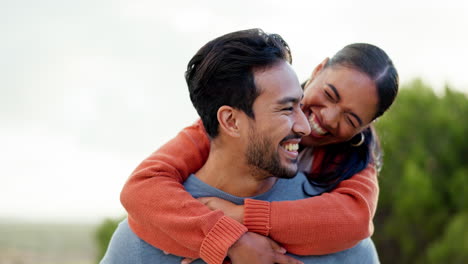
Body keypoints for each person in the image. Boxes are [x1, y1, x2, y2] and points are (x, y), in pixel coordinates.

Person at [110, 29, 399, 264]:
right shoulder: (210, 131)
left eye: (351, 118)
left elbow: (355, 220)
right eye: (329, 94)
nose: (322, 119)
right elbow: (142, 187)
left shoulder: (355, 164)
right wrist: (230, 239)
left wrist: (242, 215)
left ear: (363, 127)